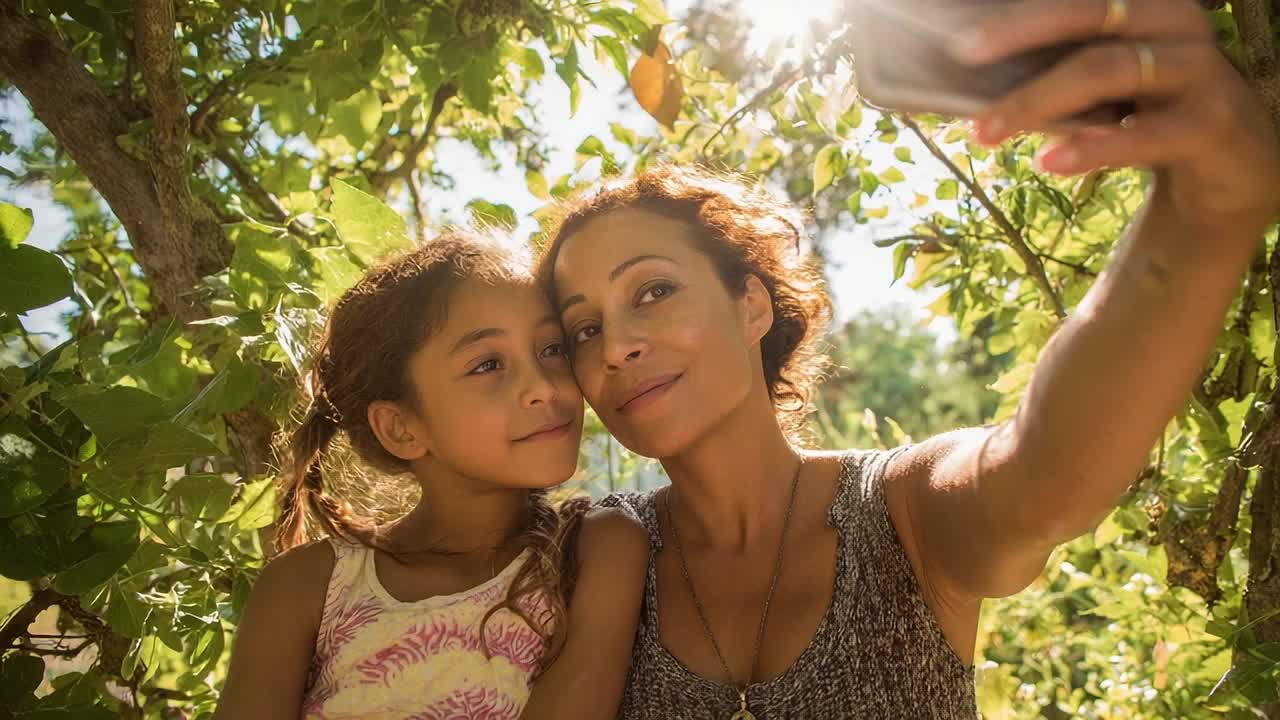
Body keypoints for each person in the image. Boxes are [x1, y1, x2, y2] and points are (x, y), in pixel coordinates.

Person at [535, 0, 1280, 716]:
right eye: (582, 330)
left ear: (752, 306)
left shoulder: (900, 512)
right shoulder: (588, 556)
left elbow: (1040, 473)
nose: (618, 344)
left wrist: (1203, 213)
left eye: (654, 290)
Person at [214, 232, 647, 720]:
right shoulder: (306, 587)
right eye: (488, 365)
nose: (543, 387)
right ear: (401, 428)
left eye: (551, 349)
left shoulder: (596, 550)